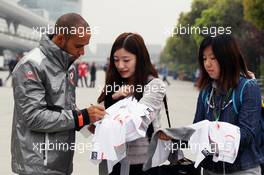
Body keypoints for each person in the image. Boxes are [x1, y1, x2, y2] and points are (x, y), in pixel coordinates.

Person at [11, 13, 106, 175]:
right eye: (78, 46)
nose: (82, 52)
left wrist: (85, 124)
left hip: (62, 163)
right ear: (61, 39)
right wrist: (81, 116)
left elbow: (64, 108)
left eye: (85, 45)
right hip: (36, 166)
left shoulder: (68, 66)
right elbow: (34, 117)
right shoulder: (32, 65)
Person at [96, 32, 166, 175]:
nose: (120, 65)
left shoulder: (154, 85)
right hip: (112, 161)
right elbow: (97, 121)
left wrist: (105, 122)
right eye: (116, 60)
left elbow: (137, 122)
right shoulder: (113, 85)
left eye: (126, 60)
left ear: (139, 59)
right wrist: (114, 97)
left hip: (142, 163)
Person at [193, 34, 264, 174]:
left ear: (228, 58)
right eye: (204, 58)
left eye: (213, 58)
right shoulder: (206, 91)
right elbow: (197, 126)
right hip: (210, 168)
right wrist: (175, 136)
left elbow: (247, 135)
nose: (207, 63)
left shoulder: (248, 87)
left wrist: (213, 133)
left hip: (242, 168)